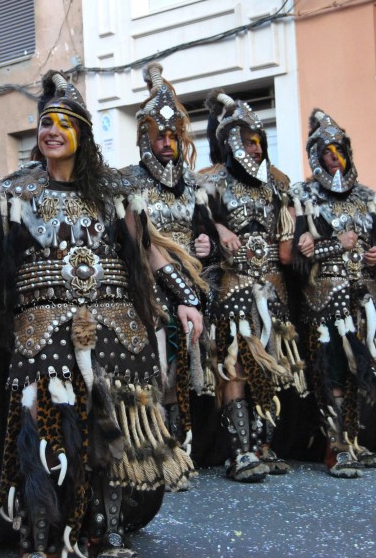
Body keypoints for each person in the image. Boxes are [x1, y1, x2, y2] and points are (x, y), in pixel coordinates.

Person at [0, 72, 200, 558]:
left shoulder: (113, 192)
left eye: (64, 123)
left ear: (82, 134)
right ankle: (42, 533)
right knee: (46, 435)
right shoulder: (16, 192)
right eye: (45, 122)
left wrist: (186, 296)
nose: (52, 130)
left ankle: (104, 532)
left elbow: (149, 252)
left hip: (110, 328)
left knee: (107, 432)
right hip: (42, 335)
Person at [199, 89, 305, 481]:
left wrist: (301, 241)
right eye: (248, 142)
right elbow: (196, 221)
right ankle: (240, 451)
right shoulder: (209, 182)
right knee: (236, 365)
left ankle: (264, 443)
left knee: (274, 363)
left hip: (273, 287)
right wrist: (219, 226)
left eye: (260, 141)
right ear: (229, 140)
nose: (256, 149)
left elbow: (286, 239)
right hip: (233, 285)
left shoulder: (278, 183)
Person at [290, 109, 376, 478]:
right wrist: (335, 244)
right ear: (316, 156)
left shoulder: (368, 197)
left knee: (359, 371)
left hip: (364, 297)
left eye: (339, 150)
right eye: (327, 151)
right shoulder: (304, 197)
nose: (335, 157)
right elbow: (299, 255)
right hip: (325, 299)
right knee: (333, 370)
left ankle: (353, 441)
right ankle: (334, 447)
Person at [117, 62, 218, 465]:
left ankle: (183, 444)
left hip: (192, 285)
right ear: (145, 137)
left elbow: (203, 230)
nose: (167, 142)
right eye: (160, 136)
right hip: (147, 286)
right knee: (156, 367)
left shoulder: (194, 184)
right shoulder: (128, 181)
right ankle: (156, 445)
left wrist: (207, 242)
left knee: (184, 368)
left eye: (173, 135)